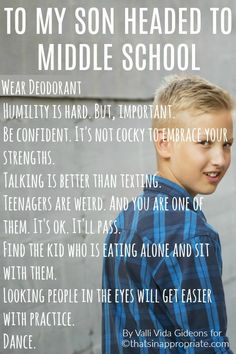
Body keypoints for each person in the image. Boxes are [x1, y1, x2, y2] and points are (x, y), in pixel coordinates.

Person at [102, 75, 234, 353]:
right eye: (204, 142)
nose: (220, 159)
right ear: (164, 144)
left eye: (227, 144)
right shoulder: (192, 236)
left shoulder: (125, 221)